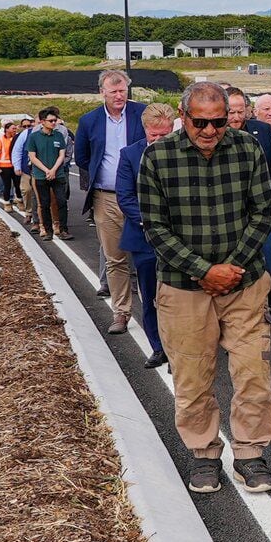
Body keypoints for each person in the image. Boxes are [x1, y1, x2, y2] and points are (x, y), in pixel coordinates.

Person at [137, 82, 271, 495]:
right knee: (193, 376)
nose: (211, 130)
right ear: (183, 117)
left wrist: (230, 268)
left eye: (218, 122)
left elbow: (261, 212)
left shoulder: (247, 149)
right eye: (201, 122)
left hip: (245, 284)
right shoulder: (158, 157)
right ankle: (204, 454)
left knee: (253, 371)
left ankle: (250, 452)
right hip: (184, 289)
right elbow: (155, 228)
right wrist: (203, 270)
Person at [73, 69, 147, 334]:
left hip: (142, 196)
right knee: (115, 258)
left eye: (122, 91)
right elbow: (82, 158)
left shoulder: (142, 113)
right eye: (113, 91)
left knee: (147, 256)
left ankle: (156, 312)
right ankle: (121, 312)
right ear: (101, 92)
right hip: (106, 198)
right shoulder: (89, 121)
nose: (119, 96)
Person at [115, 103, 178, 369]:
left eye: (165, 135)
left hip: (178, 238)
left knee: (178, 298)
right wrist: (151, 221)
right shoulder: (129, 155)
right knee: (150, 295)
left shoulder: (182, 152)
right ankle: (157, 346)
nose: (160, 140)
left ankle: (179, 350)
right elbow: (125, 197)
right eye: (155, 135)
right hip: (144, 238)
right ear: (145, 130)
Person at [228, 88, 271, 345]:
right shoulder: (214, 133)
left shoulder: (261, 131)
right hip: (229, 218)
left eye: (241, 111)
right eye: (231, 111)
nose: (236, 116)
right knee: (236, 272)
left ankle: (268, 317)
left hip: (260, 214)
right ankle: (234, 329)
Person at [26, 107, 73, 241]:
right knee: (44, 203)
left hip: (58, 175)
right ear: (42, 122)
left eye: (55, 120)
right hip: (41, 175)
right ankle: (47, 231)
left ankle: (63, 229)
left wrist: (53, 170)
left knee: (61, 202)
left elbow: (62, 154)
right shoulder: (34, 137)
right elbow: (33, 157)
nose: (54, 123)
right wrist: (46, 170)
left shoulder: (59, 135)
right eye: (51, 121)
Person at [10, 117, 38, 228]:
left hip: (41, 170)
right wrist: (17, 166)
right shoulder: (26, 134)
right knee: (26, 190)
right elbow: (17, 150)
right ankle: (28, 212)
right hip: (26, 169)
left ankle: (40, 217)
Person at [0, 120, 20, 211]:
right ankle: (7, 203)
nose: (15, 130)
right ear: (7, 129)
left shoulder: (16, 138)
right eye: (13, 128)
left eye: (15, 128)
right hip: (4, 166)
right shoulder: (0, 139)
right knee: (7, 185)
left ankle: (19, 201)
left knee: (18, 184)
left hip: (15, 165)